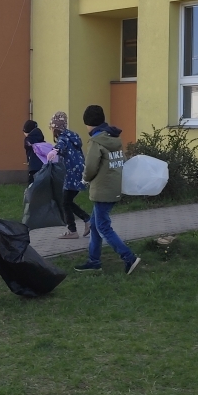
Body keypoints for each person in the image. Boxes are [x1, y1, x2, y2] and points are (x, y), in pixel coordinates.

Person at [75, 105, 142, 274]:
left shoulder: (96, 142)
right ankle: (94, 261)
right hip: (114, 187)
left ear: (88, 124)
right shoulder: (114, 138)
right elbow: (122, 161)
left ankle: (129, 257)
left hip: (102, 190)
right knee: (95, 224)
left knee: (103, 226)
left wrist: (85, 179)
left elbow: (90, 167)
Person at [48, 111, 91, 239]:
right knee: (67, 201)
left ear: (56, 128)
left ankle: (75, 229)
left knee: (65, 202)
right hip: (79, 172)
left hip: (72, 174)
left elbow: (61, 144)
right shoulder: (72, 136)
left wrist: (55, 150)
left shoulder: (63, 138)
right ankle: (85, 221)